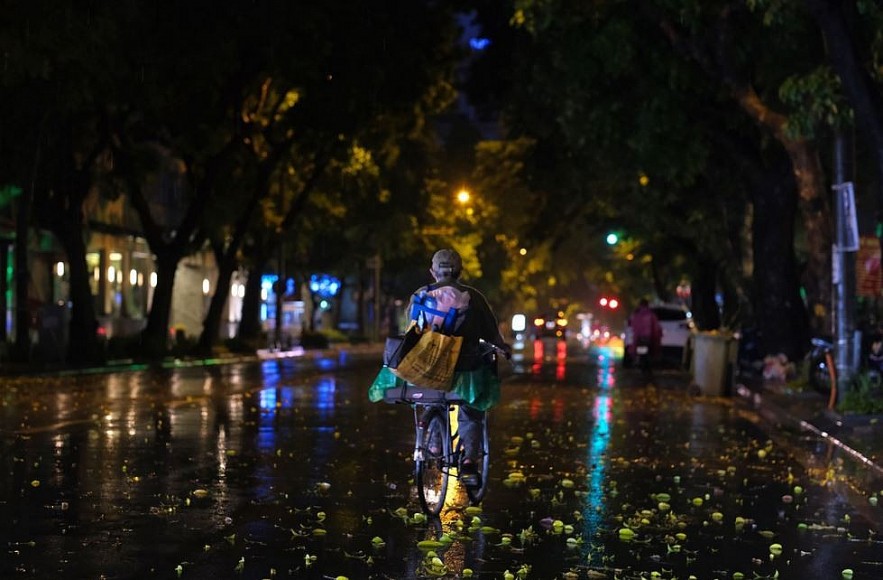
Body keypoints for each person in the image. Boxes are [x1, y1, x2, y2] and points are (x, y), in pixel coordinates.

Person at [368, 248, 511, 485]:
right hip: (463, 373)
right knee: (471, 409)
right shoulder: (474, 297)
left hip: (425, 371)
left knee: (432, 400)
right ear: (460, 271)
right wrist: (501, 346)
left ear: (432, 271)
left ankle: (433, 442)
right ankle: (468, 464)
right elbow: (490, 332)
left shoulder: (419, 295)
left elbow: (410, 330)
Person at [627, 299, 662, 373]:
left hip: (638, 337)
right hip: (647, 337)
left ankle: (642, 364)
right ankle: (647, 367)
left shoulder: (636, 314)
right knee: (648, 353)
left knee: (642, 353)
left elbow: (631, 324)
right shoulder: (651, 314)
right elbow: (655, 326)